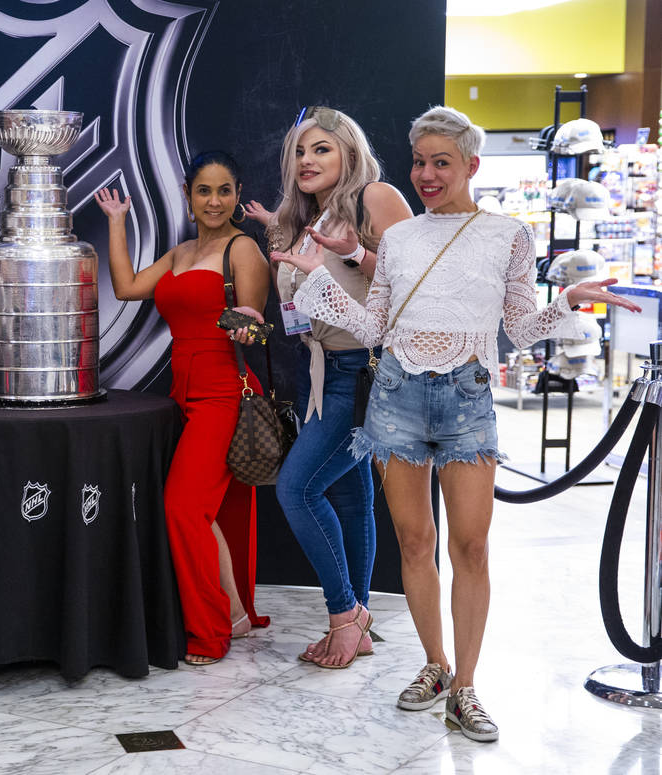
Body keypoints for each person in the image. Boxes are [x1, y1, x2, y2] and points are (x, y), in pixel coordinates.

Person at [274, 106, 641, 741]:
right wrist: (319, 281)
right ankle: (435, 667)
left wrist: (567, 305)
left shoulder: (507, 235)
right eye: (419, 161)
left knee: (470, 547)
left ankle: (466, 688)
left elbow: (521, 331)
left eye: (441, 162)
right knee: (415, 545)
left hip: (467, 397)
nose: (425, 174)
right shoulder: (402, 239)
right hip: (395, 397)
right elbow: (375, 327)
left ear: (471, 165)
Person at [95, 151, 271, 665]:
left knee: (184, 508)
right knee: (202, 513)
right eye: (203, 190)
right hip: (182, 393)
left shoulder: (244, 250)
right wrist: (116, 223)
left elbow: (257, 326)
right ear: (188, 195)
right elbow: (127, 287)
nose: (214, 201)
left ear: (237, 194)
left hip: (223, 391)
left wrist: (248, 322)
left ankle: (209, 633)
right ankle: (234, 613)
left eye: (224, 190)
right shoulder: (180, 252)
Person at [263, 107, 412, 669]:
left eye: (321, 148)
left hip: (361, 372)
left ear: (349, 151)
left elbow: (414, 280)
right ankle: (360, 622)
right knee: (351, 496)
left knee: (298, 491)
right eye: (300, 151)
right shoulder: (311, 216)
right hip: (318, 372)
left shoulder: (375, 196)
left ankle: (345, 615)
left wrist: (352, 252)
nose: (307, 160)